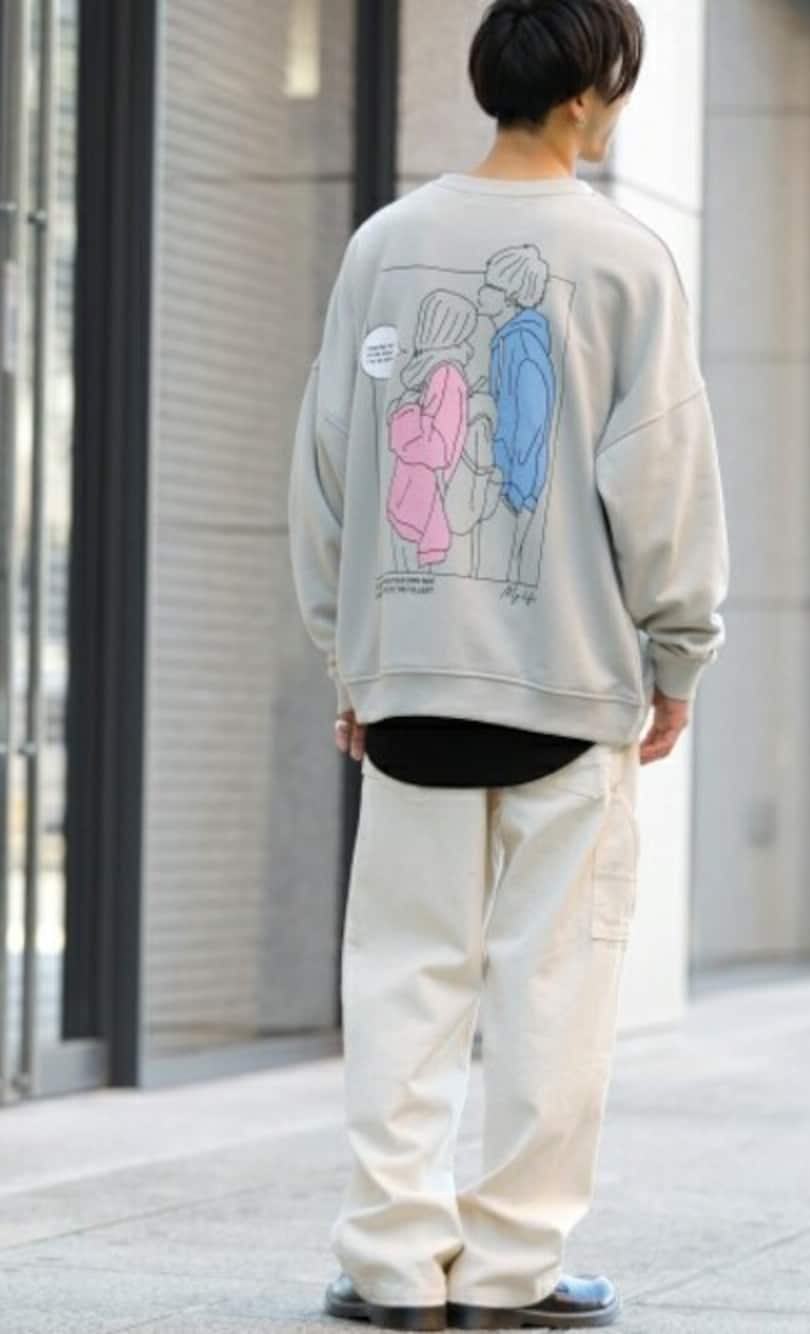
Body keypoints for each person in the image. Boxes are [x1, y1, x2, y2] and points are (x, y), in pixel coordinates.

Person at [287, 0, 730, 1327]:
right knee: (554, 990)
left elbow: (330, 467)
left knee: (402, 979)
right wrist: (679, 651)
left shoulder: (384, 244)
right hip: (566, 686)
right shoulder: (625, 259)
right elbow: (663, 478)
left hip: (413, 684)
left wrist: (350, 657)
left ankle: (391, 1264)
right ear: (588, 94)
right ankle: (509, 1269)